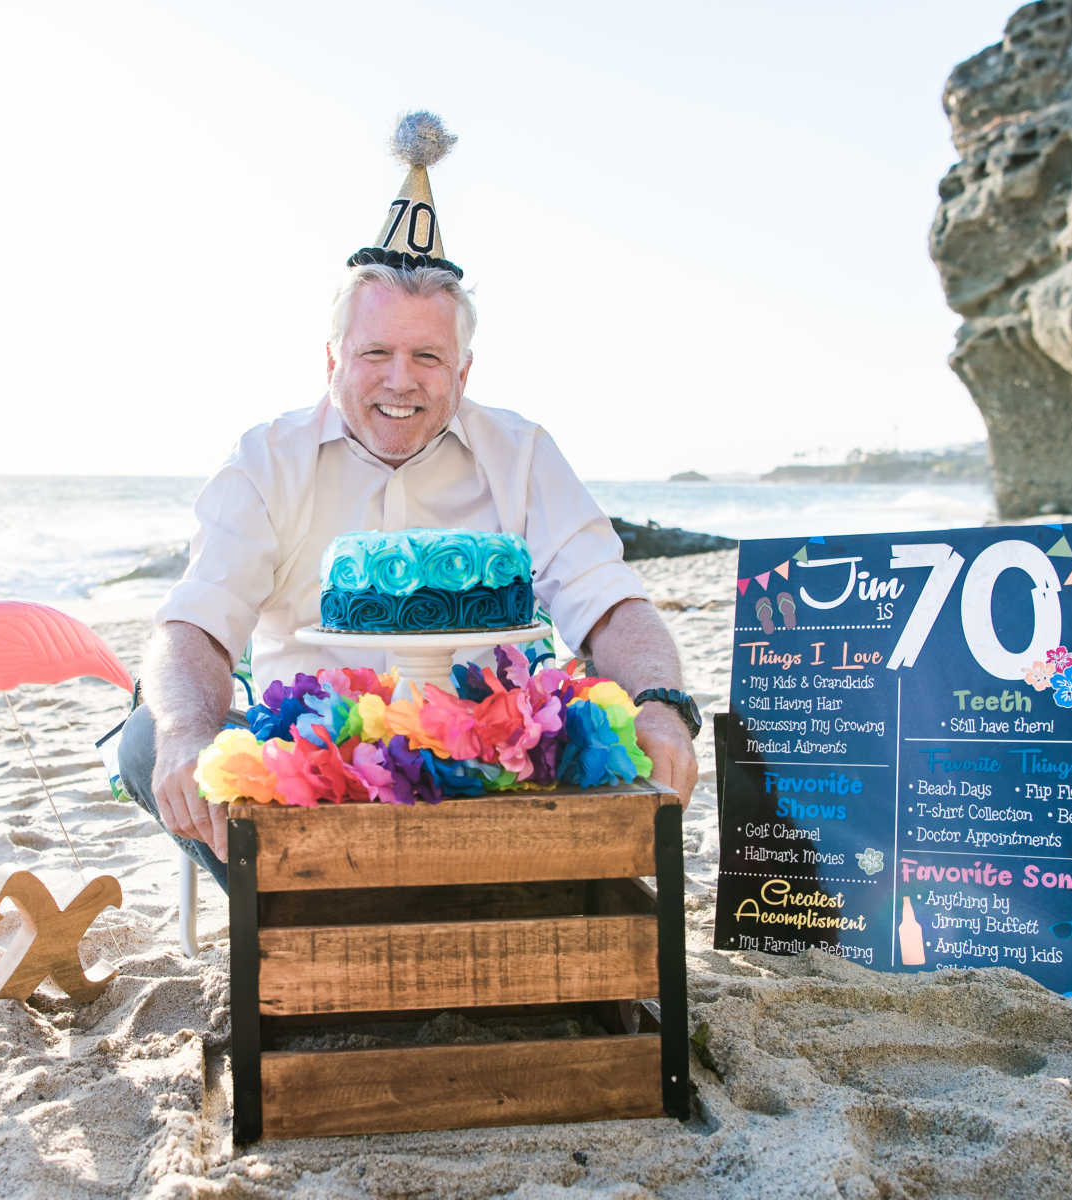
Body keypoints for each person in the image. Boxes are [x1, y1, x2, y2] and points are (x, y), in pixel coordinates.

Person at [118, 114, 700, 890]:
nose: (401, 380)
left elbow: (610, 601)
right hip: (315, 792)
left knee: (611, 727)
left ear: (463, 371)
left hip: (498, 787)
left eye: (428, 356)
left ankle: (520, 918)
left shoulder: (521, 453)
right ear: (332, 361)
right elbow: (197, 621)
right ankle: (314, 929)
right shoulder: (266, 459)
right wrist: (187, 731)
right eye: (376, 354)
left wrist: (661, 703)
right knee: (143, 739)